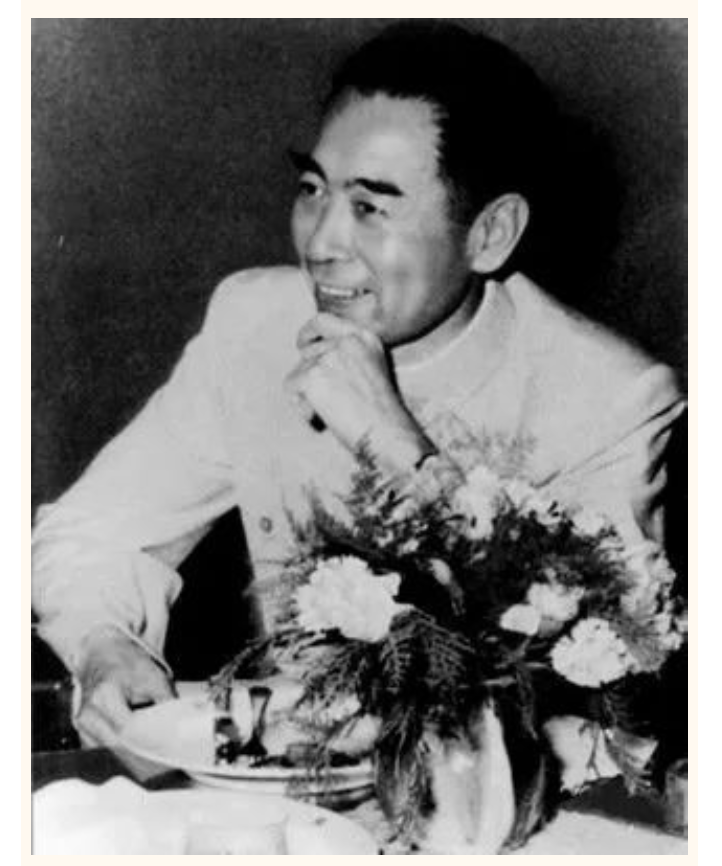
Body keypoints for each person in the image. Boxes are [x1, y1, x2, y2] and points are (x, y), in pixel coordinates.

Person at [32, 22, 685, 748]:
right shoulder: (255, 324)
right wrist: (104, 643)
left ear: (491, 233)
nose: (320, 243)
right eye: (312, 189)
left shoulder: (613, 398)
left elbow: (608, 666)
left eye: (371, 207)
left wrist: (396, 445)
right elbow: (92, 533)